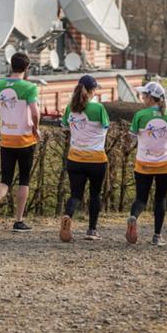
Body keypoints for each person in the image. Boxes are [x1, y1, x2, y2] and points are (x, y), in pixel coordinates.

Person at [0, 52, 39, 234]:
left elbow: (0, 106)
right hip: (24, 139)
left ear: (11, 65)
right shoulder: (30, 87)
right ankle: (18, 221)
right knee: (24, 180)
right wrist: (36, 128)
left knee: (5, 179)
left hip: (7, 137)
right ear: (27, 68)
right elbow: (35, 113)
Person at [126, 82, 167, 247]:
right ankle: (157, 236)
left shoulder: (140, 115)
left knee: (141, 198)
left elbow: (131, 136)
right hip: (165, 164)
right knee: (160, 198)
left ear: (150, 98)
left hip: (143, 163)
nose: (142, 97)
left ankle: (134, 217)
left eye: (144, 95)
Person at [59, 75, 110, 242]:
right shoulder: (98, 108)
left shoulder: (70, 107)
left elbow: (65, 126)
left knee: (75, 195)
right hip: (96, 159)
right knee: (95, 194)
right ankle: (92, 230)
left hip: (75, 158)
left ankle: (68, 215)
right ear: (92, 90)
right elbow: (106, 126)